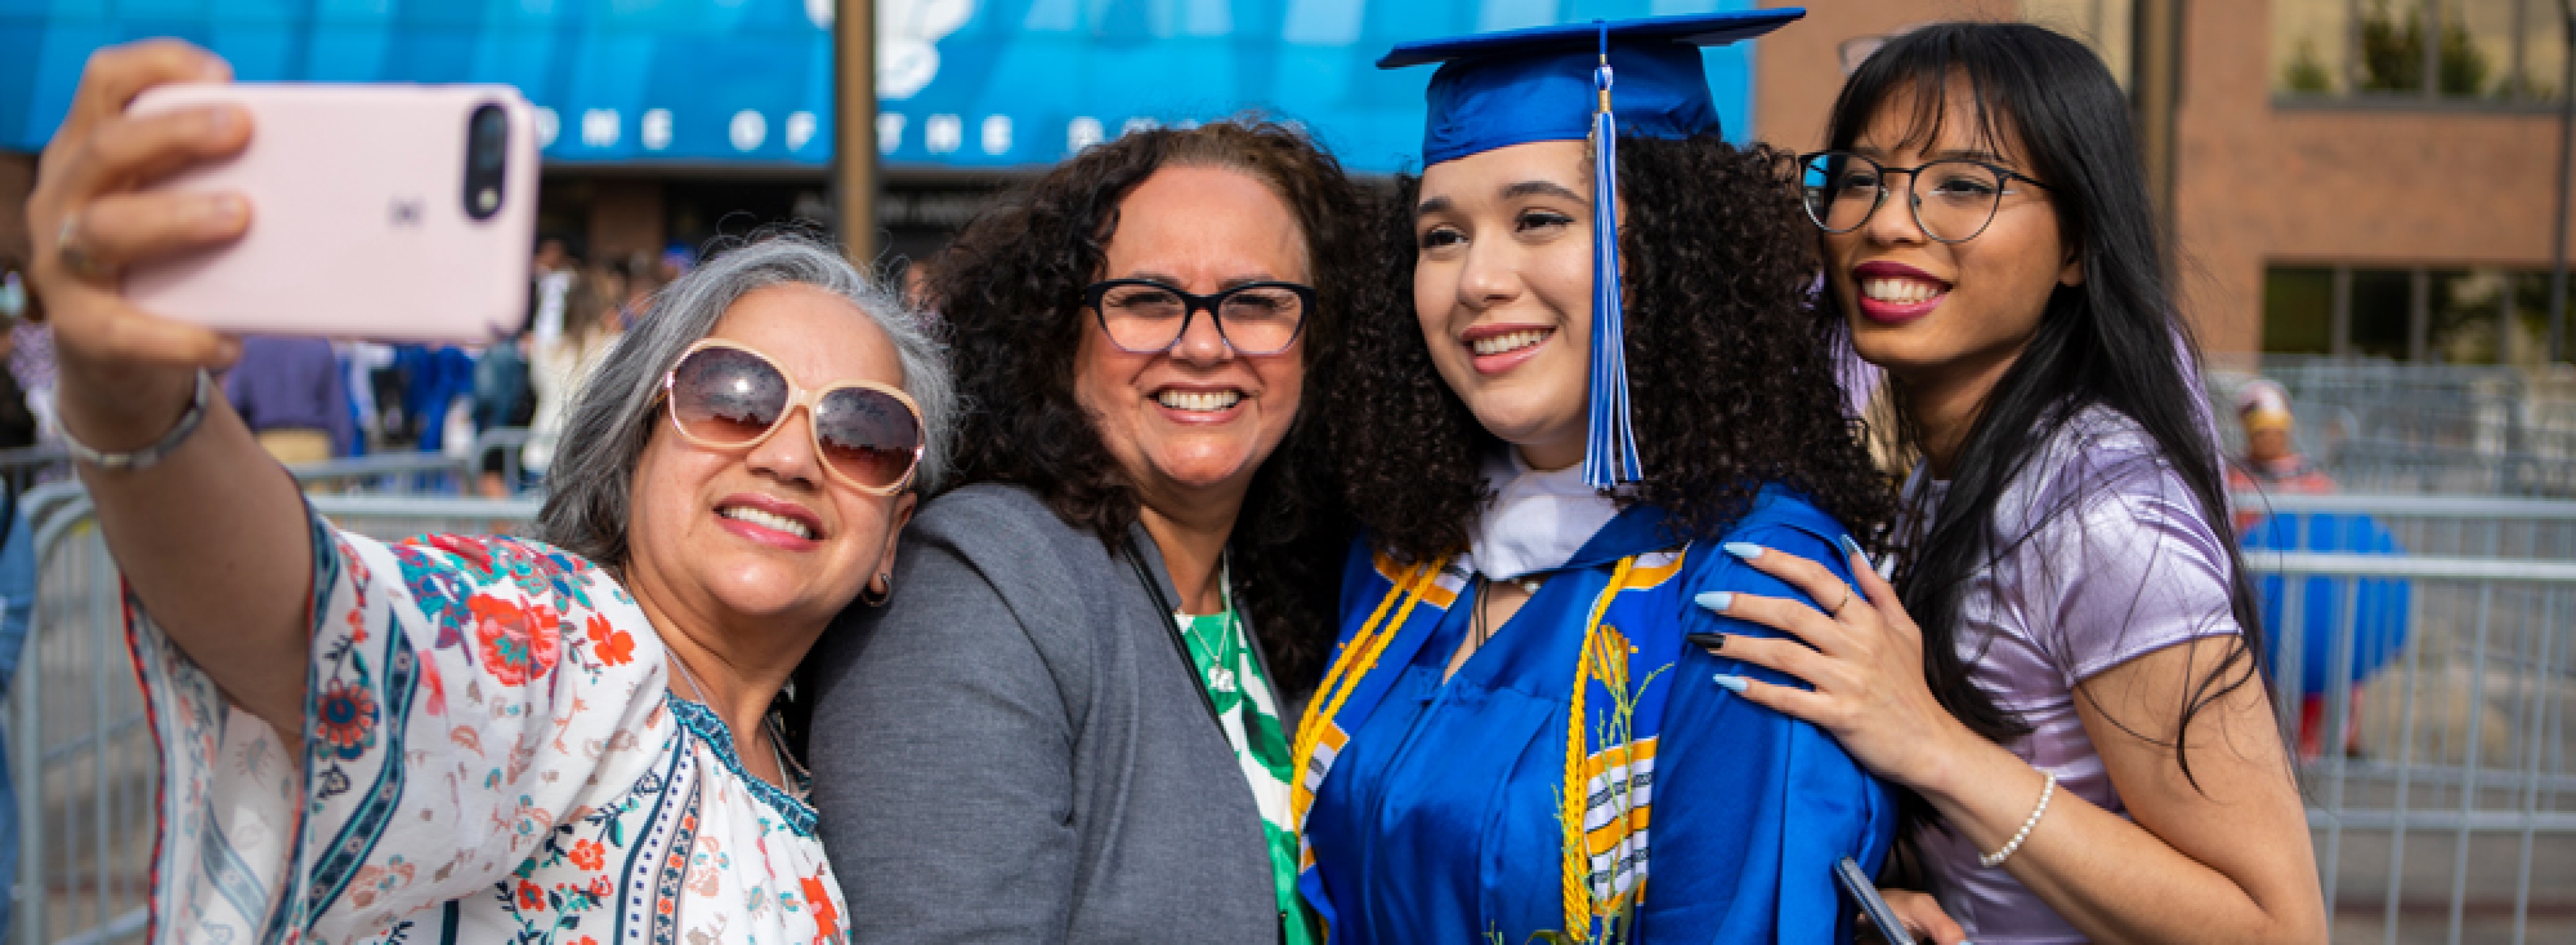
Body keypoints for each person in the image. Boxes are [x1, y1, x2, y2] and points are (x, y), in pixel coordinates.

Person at [21, 41, 955, 941]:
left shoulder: (827, 783)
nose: (792, 457)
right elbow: (319, 629)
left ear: (889, 537)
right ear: (632, 448)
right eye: (732, 396)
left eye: (862, 433)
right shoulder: (569, 652)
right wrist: (132, 399)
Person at [1705, 23, 2326, 943]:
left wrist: (1932, 745)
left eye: (1963, 184)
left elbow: (2277, 928)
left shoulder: (2104, 515)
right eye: (1860, 178)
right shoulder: (1948, 480)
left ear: (2077, 243)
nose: (1886, 221)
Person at [1303, 12, 1898, 943]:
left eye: (1540, 219)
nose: (1478, 279)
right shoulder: (1403, 559)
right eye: (1442, 236)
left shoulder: (1755, 590)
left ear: (1668, 250)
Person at [802, 120, 1373, 943]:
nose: (1205, 345)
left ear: (1319, 344)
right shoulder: (981, 583)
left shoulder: (1274, 589)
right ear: (1056, 332)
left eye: (1255, 303)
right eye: (1146, 301)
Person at [522, 272, 626, 476]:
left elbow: (538, 389)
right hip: (588, 456)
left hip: (543, 448)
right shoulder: (615, 347)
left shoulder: (545, 351)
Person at [224, 334, 356, 464]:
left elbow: (234, 403)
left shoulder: (249, 348)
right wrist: (341, 455)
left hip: (268, 444)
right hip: (314, 445)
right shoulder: (318, 346)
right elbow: (338, 411)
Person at [2227, 378, 2334, 507]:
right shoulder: (2234, 474)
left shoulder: (2310, 477)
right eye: (2260, 432)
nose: (2269, 440)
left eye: (2276, 432)